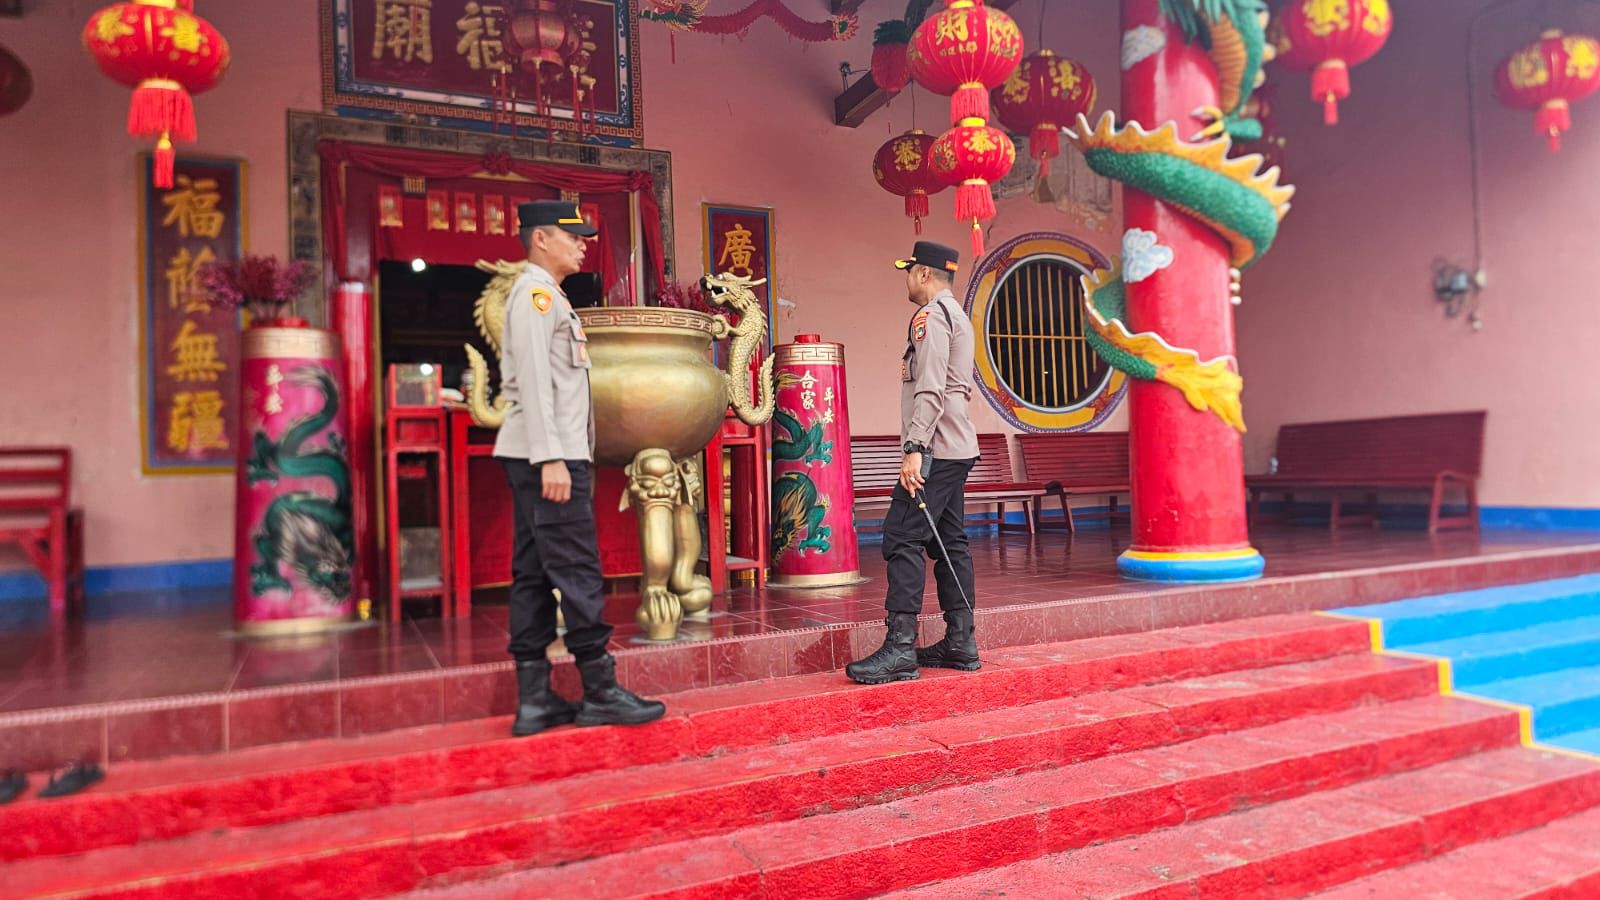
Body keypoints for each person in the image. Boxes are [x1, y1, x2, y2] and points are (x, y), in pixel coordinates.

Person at [494, 199, 665, 735]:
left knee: (533, 571)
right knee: (576, 567)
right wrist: (550, 456)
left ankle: (535, 700)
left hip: (539, 451)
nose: (582, 245)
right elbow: (534, 382)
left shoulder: (549, 296)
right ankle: (600, 690)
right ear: (540, 239)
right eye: (572, 236)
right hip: (548, 454)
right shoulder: (537, 296)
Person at [846, 240, 982, 685]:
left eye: (909, 271)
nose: (906, 279)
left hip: (936, 449)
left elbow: (931, 387)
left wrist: (915, 448)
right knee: (950, 541)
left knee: (902, 536)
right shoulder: (957, 314)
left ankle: (900, 649)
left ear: (924, 273)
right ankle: (960, 641)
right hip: (956, 448)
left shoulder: (931, 316)